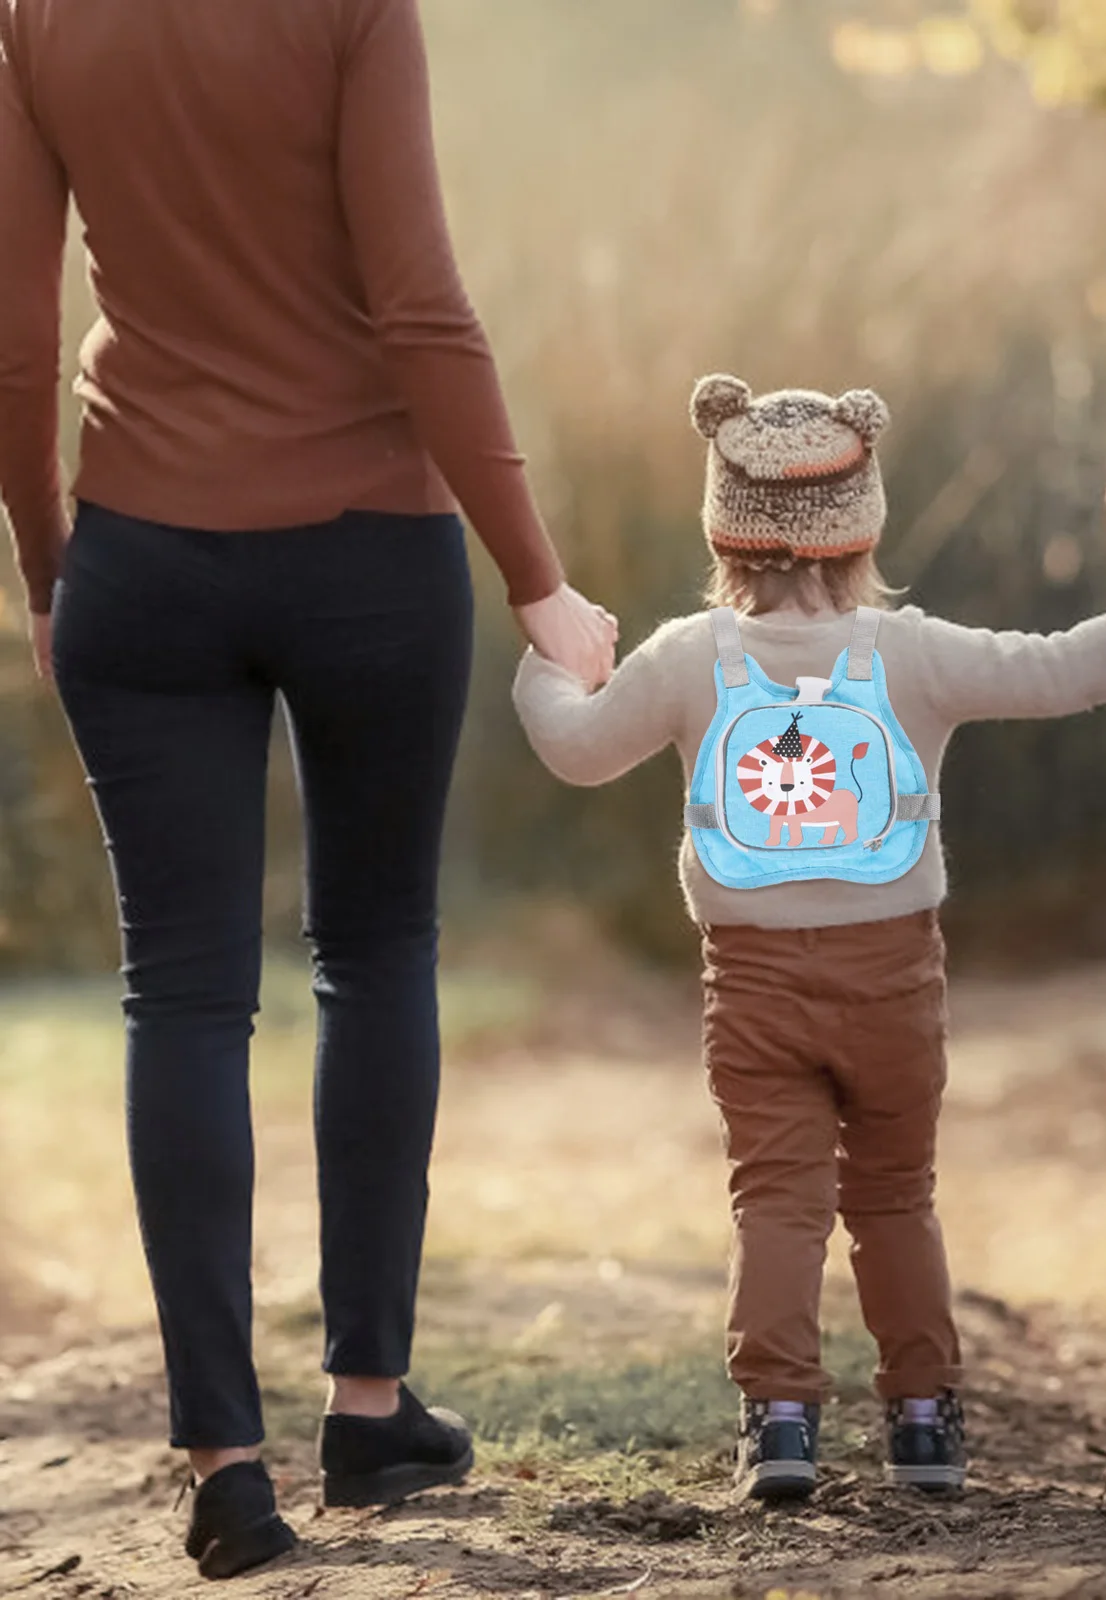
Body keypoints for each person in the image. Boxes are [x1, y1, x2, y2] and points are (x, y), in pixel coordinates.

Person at [0, 0, 615, 1577]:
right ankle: (368, 1407)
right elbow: (419, 308)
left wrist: (48, 564)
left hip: (141, 553)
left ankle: (223, 1464)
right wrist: (538, 579)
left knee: (184, 1000)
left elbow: (12, 332)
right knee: (376, 950)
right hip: (367, 548)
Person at [513, 373, 1106, 1502]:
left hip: (748, 982)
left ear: (724, 529)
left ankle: (783, 1421)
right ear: (864, 526)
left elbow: (577, 747)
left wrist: (551, 666)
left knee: (775, 1199)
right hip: (894, 973)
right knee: (896, 1194)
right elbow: (1061, 668)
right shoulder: (911, 653)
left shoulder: (687, 656)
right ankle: (923, 1420)